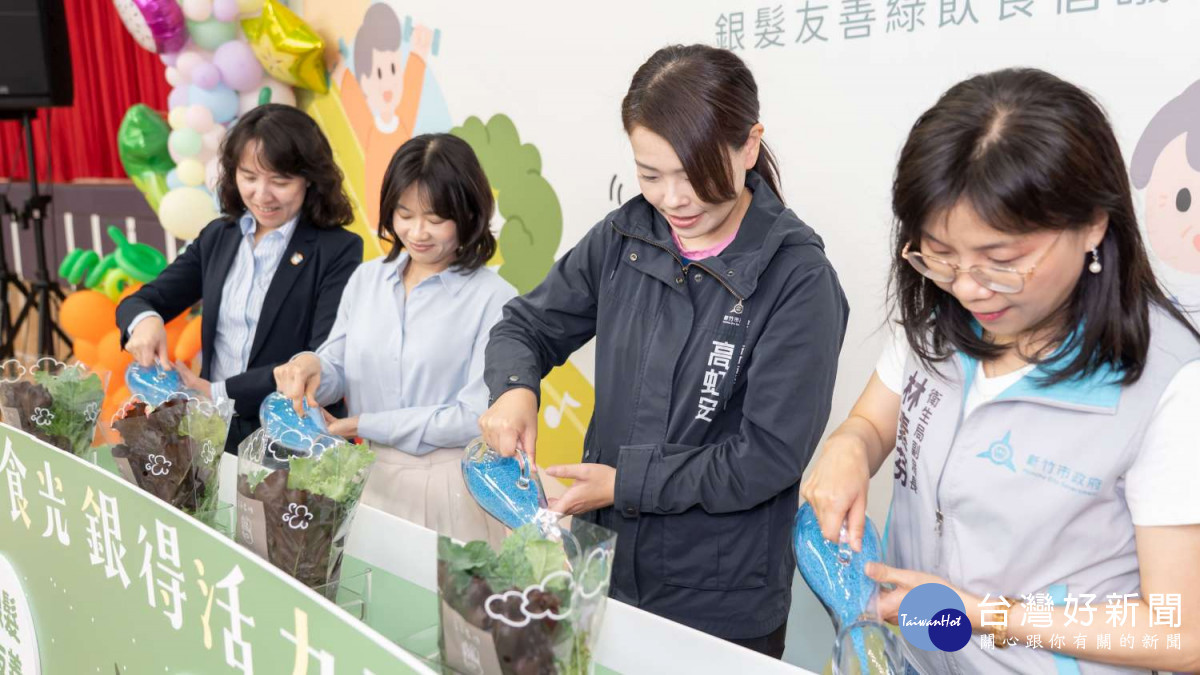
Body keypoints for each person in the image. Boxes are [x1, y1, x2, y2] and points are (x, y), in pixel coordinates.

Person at [802, 68, 1200, 673]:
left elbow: (1182, 633)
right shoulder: (941, 316)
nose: (967, 287)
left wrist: (989, 615)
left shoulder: (1170, 384)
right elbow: (874, 422)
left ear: (1094, 221)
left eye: (1001, 260)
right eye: (939, 255)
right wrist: (848, 446)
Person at [477, 44, 849, 659]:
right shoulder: (626, 238)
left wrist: (625, 484)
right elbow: (526, 324)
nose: (674, 199)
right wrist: (515, 387)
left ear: (749, 145)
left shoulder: (798, 278)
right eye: (651, 176)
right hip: (603, 569)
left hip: (721, 599)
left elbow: (766, 457)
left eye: (694, 175)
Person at [273, 133, 517, 545]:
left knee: (441, 608)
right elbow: (338, 364)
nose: (417, 232)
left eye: (436, 219)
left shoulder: (495, 298)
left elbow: (472, 415)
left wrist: (364, 424)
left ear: (469, 214)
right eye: (404, 214)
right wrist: (311, 367)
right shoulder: (368, 279)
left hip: (449, 487)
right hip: (364, 479)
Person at [117, 103, 362, 454]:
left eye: (280, 181)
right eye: (249, 177)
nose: (262, 195)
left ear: (310, 178)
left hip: (290, 437)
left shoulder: (337, 249)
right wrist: (146, 320)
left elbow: (321, 359)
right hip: (212, 429)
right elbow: (143, 300)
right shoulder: (220, 237)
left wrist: (217, 391)